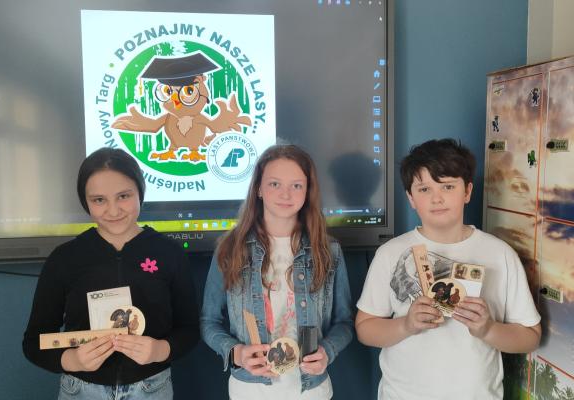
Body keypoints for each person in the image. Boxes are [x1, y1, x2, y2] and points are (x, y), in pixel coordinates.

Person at [355, 138, 541, 400]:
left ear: (467, 191)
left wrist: (488, 329)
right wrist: (406, 325)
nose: (437, 198)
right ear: (410, 198)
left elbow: (530, 337)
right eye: (424, 189)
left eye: (448, 186)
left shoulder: (500, 255)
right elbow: (365, 329)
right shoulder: (390, 253)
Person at [22, 147, 199, 399]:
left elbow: (190, 329)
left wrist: (160, 350)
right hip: (81, 390)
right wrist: (72, 360)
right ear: (86, 202)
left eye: (124, 196)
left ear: (140, 192)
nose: (113, 211)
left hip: (151, 388)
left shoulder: (168, 253)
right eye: (99, 200)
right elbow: (33, 342)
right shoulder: (64, 258)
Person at [201, 144, 353, 399]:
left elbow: (344, 322)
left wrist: (327, 351)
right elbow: (209, 322)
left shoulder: (329, 251)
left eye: (296, 185)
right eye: (274, 184)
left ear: (307, 191)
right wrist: (236, 353)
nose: (285, 194)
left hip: (311, 391)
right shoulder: (230, 249)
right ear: (258, 189)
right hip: (250, 391)